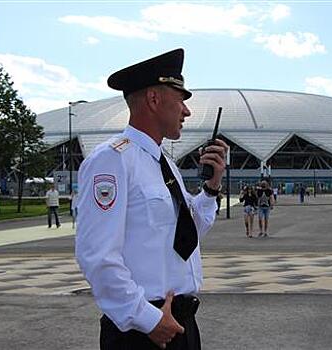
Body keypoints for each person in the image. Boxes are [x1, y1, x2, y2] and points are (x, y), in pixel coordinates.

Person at [75, 49, 228, 350]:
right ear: (154, 99)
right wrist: (147, 318)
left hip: (179, 322)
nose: (187, 111)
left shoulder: (164, 163)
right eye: (181, 98)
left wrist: (211, 187)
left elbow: (186, 234)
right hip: (141, 330)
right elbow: (97, 255)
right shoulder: (112, 160)